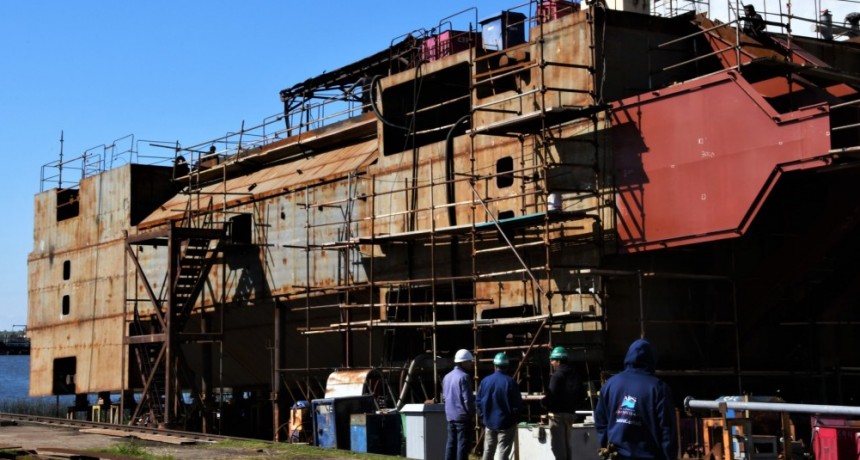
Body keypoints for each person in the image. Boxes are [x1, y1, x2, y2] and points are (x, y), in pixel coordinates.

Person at [594, 338, 678, 460]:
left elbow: (600, 421)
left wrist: (606, 444)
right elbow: (667, 431)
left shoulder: (610, 385)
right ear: (652, 360)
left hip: (617, 456)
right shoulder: (658, 388)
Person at [476, 352, 522, 460]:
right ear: (507, 366)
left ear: (495, 365)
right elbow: (517, 405)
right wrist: (513, 420)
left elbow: (478, 402)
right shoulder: (511, 383)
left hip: (489, 423)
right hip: (506, 424)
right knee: (503, 453)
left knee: (488, 451)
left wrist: (484, 417)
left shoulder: (485, 381)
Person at [542, 346, 580, 460]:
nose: (551, 362)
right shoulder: (575, 374)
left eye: (552, 360)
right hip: (571, 415)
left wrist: (543, 403)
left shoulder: (557, 376)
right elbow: (582, 394)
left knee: (558, 449)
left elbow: (551, 396)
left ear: (558, 361)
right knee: (567, 448)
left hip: (558, 416)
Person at [443, 348, 476, 460]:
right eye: (470, 362)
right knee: (462, 445)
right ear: (463, 362)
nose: (471, 364)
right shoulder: (464, 377)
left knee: (451, 443)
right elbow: (467, 399)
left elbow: (444, 397)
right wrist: (472, 413)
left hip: (450, 416)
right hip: (462, 417)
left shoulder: (447, 377)